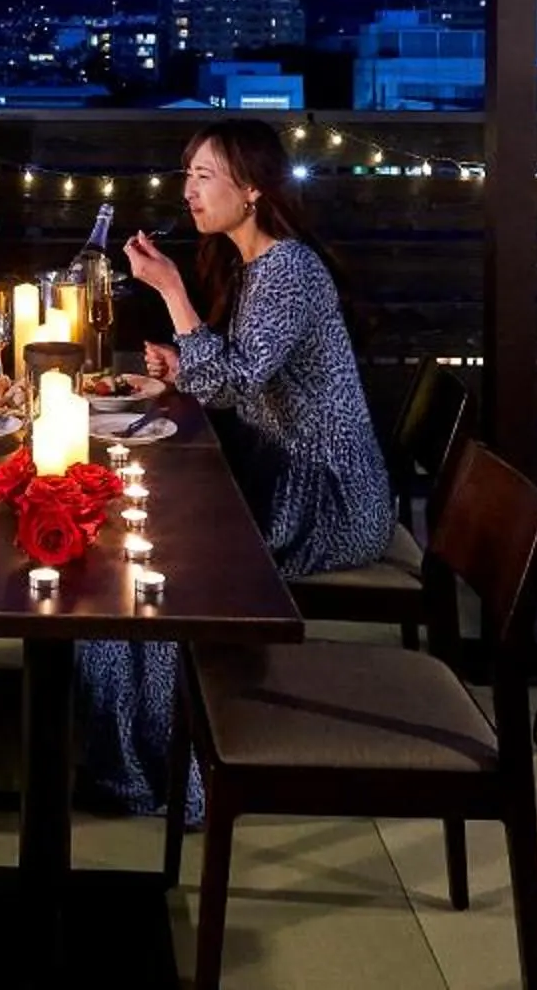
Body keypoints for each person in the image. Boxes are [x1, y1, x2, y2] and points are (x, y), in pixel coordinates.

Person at [75, 118, 397, 820]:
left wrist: (172, 294)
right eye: (186, 174)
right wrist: (182, 362)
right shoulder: (255, 263)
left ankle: (163, 777)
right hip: (278, 472)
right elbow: (233, 371)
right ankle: (124, 751)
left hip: (324, 494)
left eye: (204, 176)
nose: (188, 189)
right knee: (129, 551)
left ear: (251, 190)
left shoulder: (287, 267)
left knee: (158, 570)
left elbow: (236, 381)